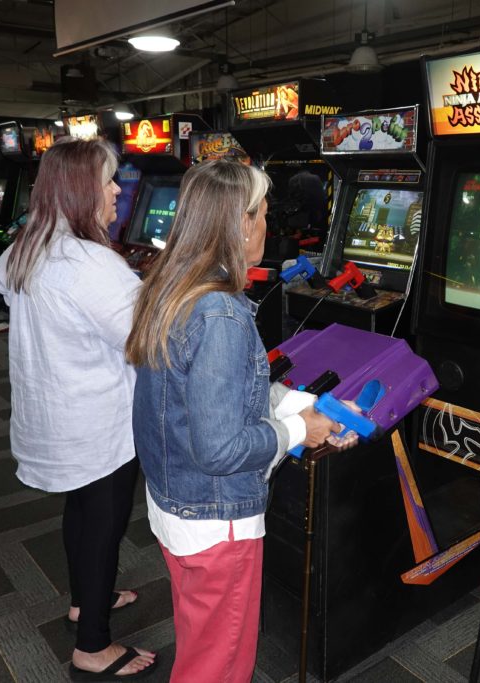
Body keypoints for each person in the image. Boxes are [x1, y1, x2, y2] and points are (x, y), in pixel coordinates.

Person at [126, 160, 354, 682]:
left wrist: (300, 405)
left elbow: (213, 396)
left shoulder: (172, 287)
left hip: (178, 503)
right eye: (263, 214)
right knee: (219, 666)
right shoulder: (221, 315)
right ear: (240, 222)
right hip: (216, 518)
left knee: (200, 647)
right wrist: (302, 430)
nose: (269, 226)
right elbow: (221, 448)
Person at [0, 138, 156, 680]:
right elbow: (143, 341)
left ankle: (86, 602)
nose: (117, 192)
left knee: (82, 512)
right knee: (104, 525)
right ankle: (93, 648)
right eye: (109, 181)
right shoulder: (89, 263)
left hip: (56, 416)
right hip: (97, 423)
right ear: (81, 190)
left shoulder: (25, 247)